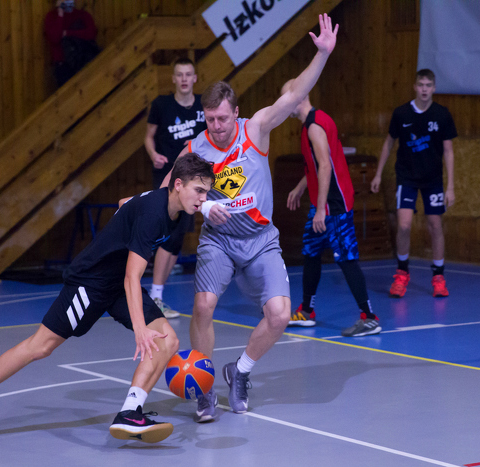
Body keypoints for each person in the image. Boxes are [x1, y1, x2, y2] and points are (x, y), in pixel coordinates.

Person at [0, 154, 215, 446]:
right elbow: (132, 277)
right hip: (91, 282)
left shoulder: (172, 207)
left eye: (206, 192)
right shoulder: (153, 215)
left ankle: (130, 412)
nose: (203, 198)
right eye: (199, 190)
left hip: (117, 283)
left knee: (167, 340)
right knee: (40, 346)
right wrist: (140, 329)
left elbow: (124, 202)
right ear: (178, 184)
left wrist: (127, 219)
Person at [163, 13, 338, 422]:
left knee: (280, 315)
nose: (217, 127)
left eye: (223, 118)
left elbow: (294, 96)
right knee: (203, 305)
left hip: (260, 240)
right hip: (219, 241)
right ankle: (204, 386)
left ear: (236, 112)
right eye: (210, 120)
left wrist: (323, 54)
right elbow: (169, 194)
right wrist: (201, 205)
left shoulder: (255, 129)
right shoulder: (195, 149)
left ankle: (239, 372)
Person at [283, 84, 380, 337]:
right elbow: (318, 164)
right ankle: (307, 311)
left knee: (346, 258)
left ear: (298, 97)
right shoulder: (314, 121)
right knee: (311, 251)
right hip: (322, 203)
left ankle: (369, 318)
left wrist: (321, 210)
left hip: (333, 205)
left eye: (286, 96)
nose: (283, 102)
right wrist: (301, 187)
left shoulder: (314, 126)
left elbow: (325, 166)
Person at [370, 69, 457, 298]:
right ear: (415, 87)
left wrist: (450, 187)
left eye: (428, 85)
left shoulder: (441, 115)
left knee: (435, 225)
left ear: (434, 88)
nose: (424, 89)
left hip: (433, 179)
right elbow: (388, 143)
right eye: (421, 85)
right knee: (404, 225)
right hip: (407, 176)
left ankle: (438, 277)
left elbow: (448, 151)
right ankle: (402, 273)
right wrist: (378, 174)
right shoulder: (402, 113)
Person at [145, 58, 207, 319]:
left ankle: (156, 296)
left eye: (188, 74)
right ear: (173, 78)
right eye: (179, 74)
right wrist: (154, 155)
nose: (183, 79)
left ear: (194, 78)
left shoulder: (203, 106)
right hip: (169, 178)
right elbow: (148, 136)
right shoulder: (162, 105)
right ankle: (155, 297)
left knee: (178, 238)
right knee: (168, 236)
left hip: (194, 181)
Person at [44, 0, 99, 87]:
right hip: (63, 66)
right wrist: (60, 13)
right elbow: (55, 38)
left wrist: (67, 33)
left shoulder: (83, 15)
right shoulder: (52, 16)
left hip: (83, 62)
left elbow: (91, 33)